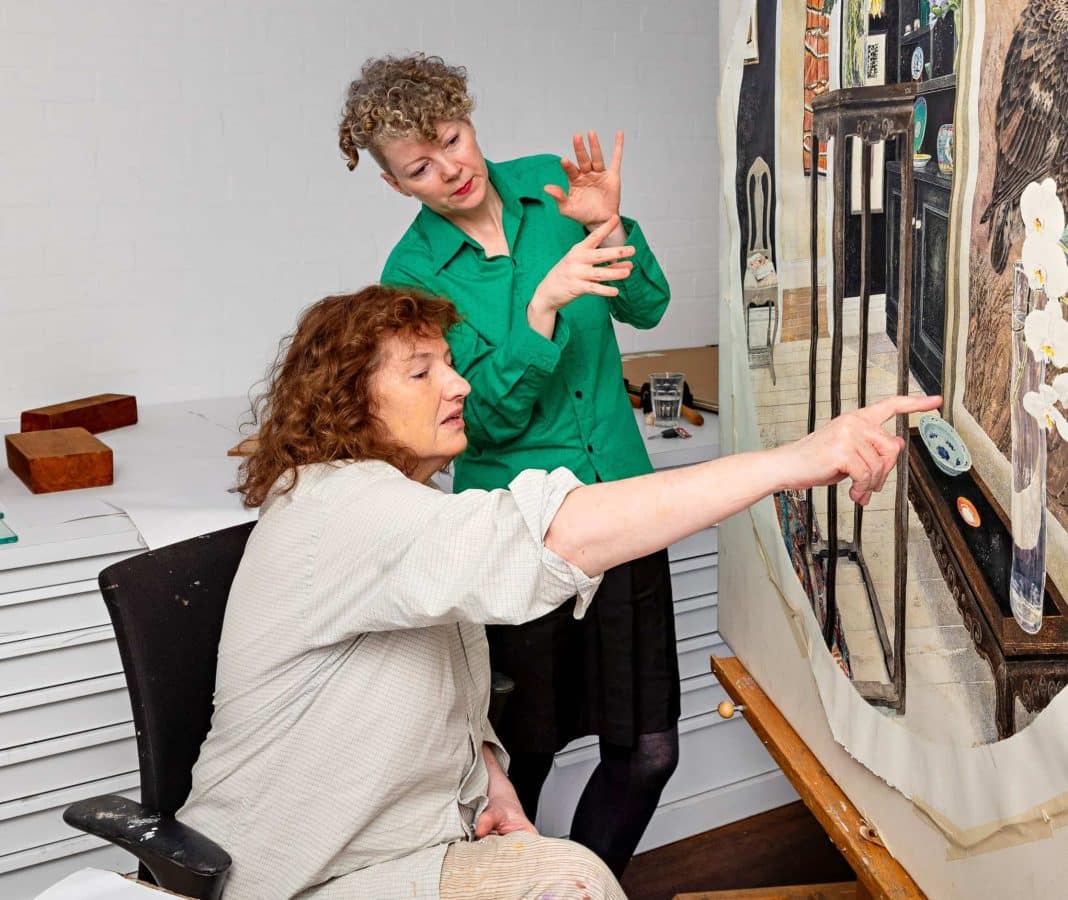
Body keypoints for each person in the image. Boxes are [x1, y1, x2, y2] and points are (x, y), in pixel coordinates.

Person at [177, 285, 938, 899]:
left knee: (572, 873)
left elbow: (442, 683)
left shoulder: (398, 513)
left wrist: (491, 777)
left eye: (447, 362)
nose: (459, 383)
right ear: (348, 402)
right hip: (292, 876)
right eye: (420, 372)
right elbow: (552, 535)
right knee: (575, 878)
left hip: (400, 846)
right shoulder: (339, 509)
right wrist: (793, 460)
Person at [339, 53, 680, 875]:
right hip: (516, 533)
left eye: (452, 141)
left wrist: (608, 225)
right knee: (518, 766)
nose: (449, 170)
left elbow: (649, 304)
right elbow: (477, 421)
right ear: (395, 184)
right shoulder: (411, 276)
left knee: (649, 752)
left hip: (624, 506)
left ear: (469, 119)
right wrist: (540, 308)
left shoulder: (549, 187)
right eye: (418, 167)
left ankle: (581, 890)